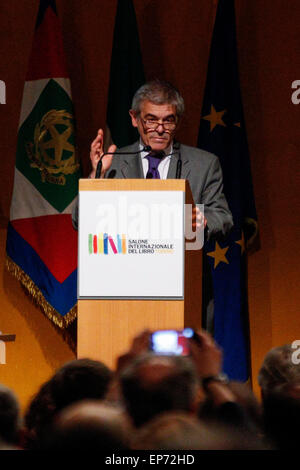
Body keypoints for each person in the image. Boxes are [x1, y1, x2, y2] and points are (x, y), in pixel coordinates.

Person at [72, 79, 233, 241]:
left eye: (168, 120)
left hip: (183, 262)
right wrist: (96, 175)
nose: (160, 129)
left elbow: (222, 218)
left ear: (178, 122)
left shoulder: (204, 165)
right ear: (134, 118)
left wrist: (202, 221)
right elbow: (80, 221)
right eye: (151, 120)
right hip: (125, 263)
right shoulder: (113, 162)